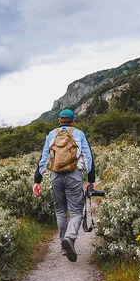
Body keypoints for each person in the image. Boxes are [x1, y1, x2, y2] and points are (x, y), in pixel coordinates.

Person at [32, 109, 95, 262]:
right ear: (73, 121)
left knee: (60, 211)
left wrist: (37, 181)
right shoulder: (79, 133)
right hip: (74, 175)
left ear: (59, 120)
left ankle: (63, 244)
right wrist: (90, 180)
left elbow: (43, 159)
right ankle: (70, 237)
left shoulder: (51, 134)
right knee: (76, 212)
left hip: (56, 176)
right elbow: (88, 157)